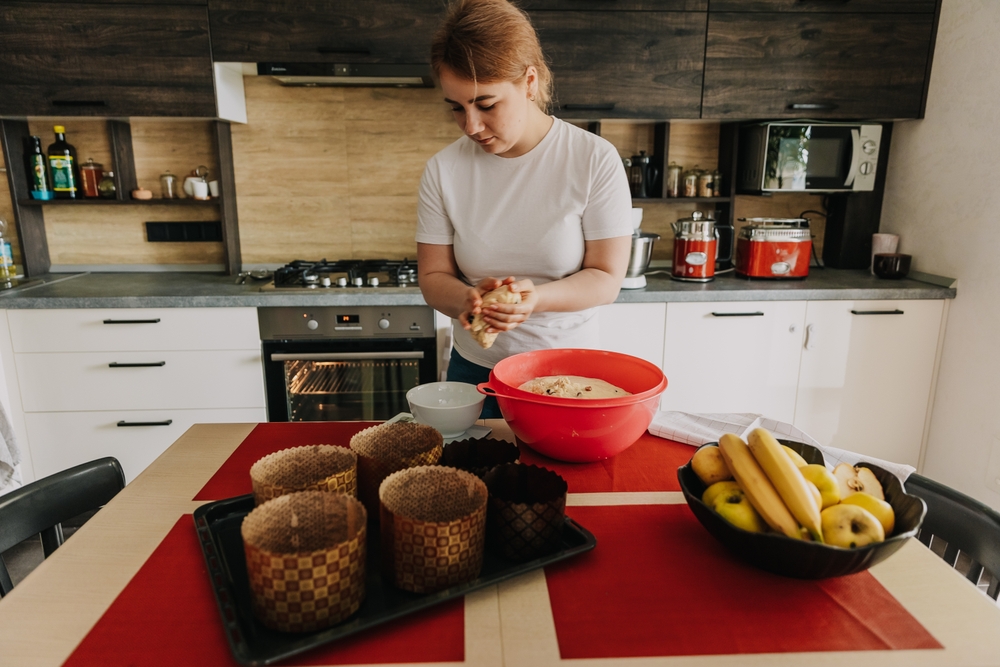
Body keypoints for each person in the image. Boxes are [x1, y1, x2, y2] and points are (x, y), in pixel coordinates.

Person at [416, 0, 633, 418]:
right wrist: (468, 299)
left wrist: (535, 299)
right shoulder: (443, 170)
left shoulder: (592, 159)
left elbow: (606, 279)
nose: (471, 126)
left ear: (529, 81)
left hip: (569, 376)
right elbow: (433, 277)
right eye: (457, 108)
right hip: (477, 373)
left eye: (486, 104)